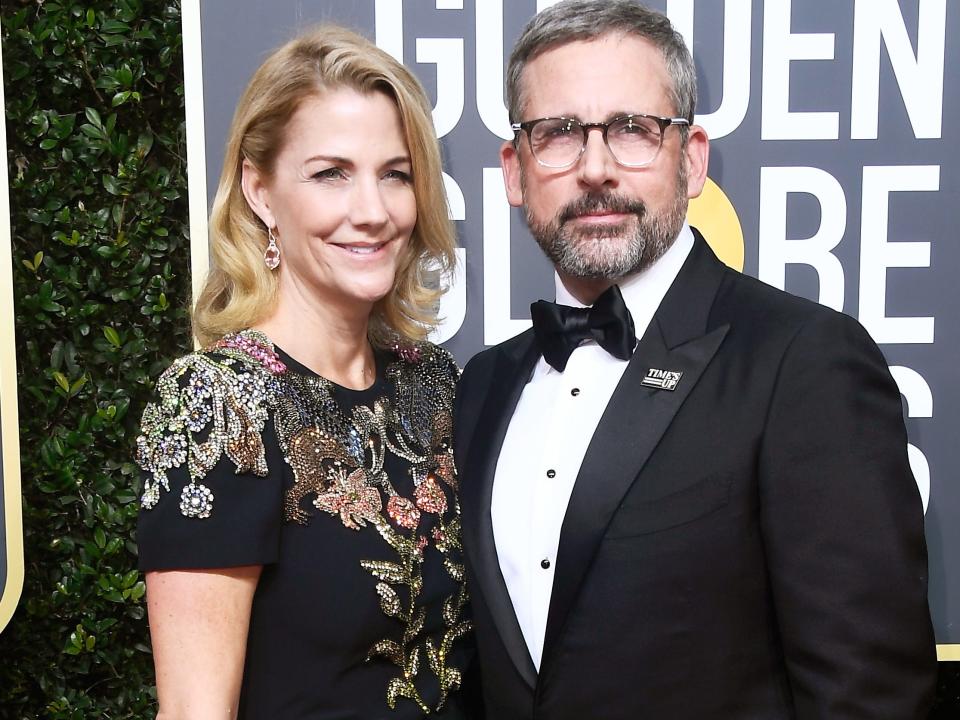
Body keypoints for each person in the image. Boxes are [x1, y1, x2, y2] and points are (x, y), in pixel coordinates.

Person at [453, 1, 937, 718]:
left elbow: (870, 697)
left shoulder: (803, 363)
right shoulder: (484, 385)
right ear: (515, 171)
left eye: (632, 131)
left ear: (694, 159)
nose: (595, 168)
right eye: (557, 133)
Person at [135, 25, 473, 719]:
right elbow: (196, 712)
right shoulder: (218, 406)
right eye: (331, 174)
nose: (373, 212)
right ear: (260, 193)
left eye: (396, 174)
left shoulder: (433, 383)